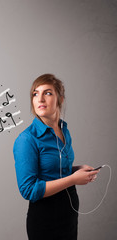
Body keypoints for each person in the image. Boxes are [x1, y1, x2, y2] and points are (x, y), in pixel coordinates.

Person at [13, 74, 99, 240]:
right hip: (46, 220)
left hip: (69, 214)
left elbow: (53, 170)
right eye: (35, 94)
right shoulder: (27, 139)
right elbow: (28, 189)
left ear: (60, 98)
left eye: (48, 93)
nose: (40, 99)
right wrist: (73, 179)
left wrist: (77, 169)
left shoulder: (64, 130)